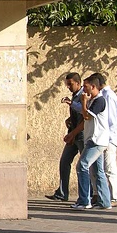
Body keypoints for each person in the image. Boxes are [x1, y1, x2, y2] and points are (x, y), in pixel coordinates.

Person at [71, 73, 112, 210]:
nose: (84, 89)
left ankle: (84, 200)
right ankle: (105, 202)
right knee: (97, 170)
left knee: (82, 165)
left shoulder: (100, 101)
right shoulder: (92, 100)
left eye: (86, 86)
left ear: (93, 86)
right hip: (93, 139)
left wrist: (82, 102)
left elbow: (87, 116)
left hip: (97, 140)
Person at [46, 72, 84, 202]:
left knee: (84, 165)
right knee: (64, 161)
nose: (68, 87)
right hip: (73, 133)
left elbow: (84, 117)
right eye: (67, 84)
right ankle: (62, 192)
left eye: (70, 84)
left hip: (80, 135)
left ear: (78, 83)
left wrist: (72, 134)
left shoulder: (83, 96)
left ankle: (87, 195)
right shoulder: (75, 96)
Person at [93, 73, 117, 207]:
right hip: (104, 137)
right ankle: (102, 195)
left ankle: (115, 197)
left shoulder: (108, 96)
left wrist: (108, 138)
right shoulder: (103, 95)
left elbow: (111, 120)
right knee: (101, 168)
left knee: (109, 166)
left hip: (109, 137)